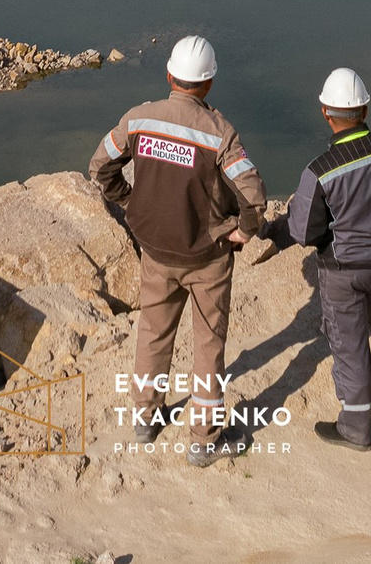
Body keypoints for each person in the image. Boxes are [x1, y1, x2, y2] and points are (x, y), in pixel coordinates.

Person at [89, 35, 268, 467]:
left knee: (153, 333)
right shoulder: (219, 133)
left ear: (169, 75)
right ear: (208, 84)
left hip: (155, 252)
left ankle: (146, 417)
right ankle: (204, 439)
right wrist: (243, 231)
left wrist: (131, 202)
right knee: (208, 345)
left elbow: (100, 168)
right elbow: (254, 197)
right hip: (207, 256)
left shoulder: (138, 120)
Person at [287, 67, 371, 451]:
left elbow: (304, 233)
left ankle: (356, 427)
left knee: (348, 343)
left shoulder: (320, 171)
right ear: (364, 109)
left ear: (326, 113)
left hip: (342, 270)